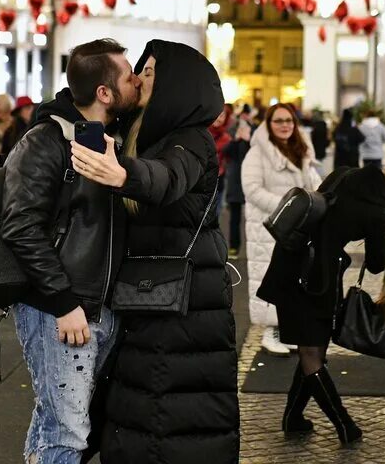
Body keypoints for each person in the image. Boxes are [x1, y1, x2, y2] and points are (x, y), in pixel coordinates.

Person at [71, 40, 239, 463]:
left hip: (183, 305)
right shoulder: (137, 131)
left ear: (174, 84)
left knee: (170, 415)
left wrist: (122, 173)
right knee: (140, 412)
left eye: (148, 71)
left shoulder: (190, 140)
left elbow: (166, 178)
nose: (139, 78)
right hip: (147, 296)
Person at [0, 39, 143, 464]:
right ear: (104, 93)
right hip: (62, 311)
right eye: (128, 75)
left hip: (94, 306)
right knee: (67, 435)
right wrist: (63, 302)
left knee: (56, 424)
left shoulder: (109, 139)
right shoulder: (46, 140)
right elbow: (20, 226)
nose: (136, 81)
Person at [258, 168, 385, 446]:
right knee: (312, 351)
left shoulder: (346, 175)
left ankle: (293, 418)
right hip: (312, 276)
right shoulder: (379, 211)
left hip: (293, 261)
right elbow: (376, 265)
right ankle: (345, 426)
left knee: (313, 345)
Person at [242, 103, 321, 356]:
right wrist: (287, 207)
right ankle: (270, 332)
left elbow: (312, 182)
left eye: (289, 120)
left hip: (295, 229)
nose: (285, 125)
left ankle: (285, 331)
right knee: (269, 279)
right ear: (268, 124)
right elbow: (252, 190)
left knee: (291, 278)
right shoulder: (257, 154)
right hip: (268, 229)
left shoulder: (302, 150)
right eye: (279, 121)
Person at [222, 118, 251, 258]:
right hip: (235, 185)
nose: (244, 132)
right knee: (235, 218)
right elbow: (225, 151)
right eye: (241, 129)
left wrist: (248, 140)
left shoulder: (253, 144)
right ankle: (234, 247)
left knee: (253, 218)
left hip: (250, 184)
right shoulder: (233, 144)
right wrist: (236, 139)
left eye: (246, 129)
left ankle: (253, 248)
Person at [209, 103, 235, 218]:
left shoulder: (227, 138)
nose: (219, 118)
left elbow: (230, 159)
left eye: (222, 115)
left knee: (216, 215)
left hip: (218, 179)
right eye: (217, 114)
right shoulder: (202, 133)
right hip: (200, 180)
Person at [0, 96, 35, 168]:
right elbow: (5, 155)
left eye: (31, 108)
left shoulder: (35, 128)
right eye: (27, 108)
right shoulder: (10, 131)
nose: (31, 111)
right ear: (20, 112)